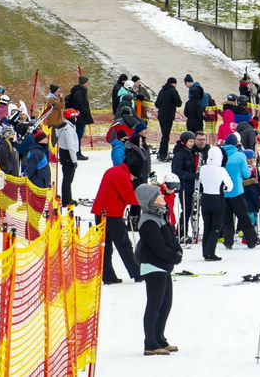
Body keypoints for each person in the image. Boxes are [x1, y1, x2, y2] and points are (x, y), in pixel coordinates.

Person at [133, 183, 181, 356]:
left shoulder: (159, 216)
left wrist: (177, 251)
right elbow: (158, 247)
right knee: (155, 305)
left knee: (165, 304)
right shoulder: (148, 222)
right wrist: (173, 255)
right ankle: (150, 343)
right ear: (150, 201)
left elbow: (170, 239)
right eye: (158, 195)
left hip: (163, 267)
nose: (162, 197)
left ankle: (159, 338)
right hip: (154, 267)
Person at [92, 148, 143, 283]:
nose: (133, 180)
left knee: (106, 246)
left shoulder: (113, 171)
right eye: (134, 177)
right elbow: (129, 196)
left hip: (101, 213)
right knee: (124, 245)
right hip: (112, 215)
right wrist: (146, 199)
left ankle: (108, 276)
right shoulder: (121, 175)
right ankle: (136, 273)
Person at [221, 134, 260, 249]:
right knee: (243, 216)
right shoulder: (240, 156)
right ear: (236, 143)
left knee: (227, 218)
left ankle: (228, 241)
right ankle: (251, 241)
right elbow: (246, 174)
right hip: (237, 190)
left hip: (223, 191)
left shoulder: (220, 155)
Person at [197, 146, 232, 261]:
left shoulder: (203, 168)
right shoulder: (221, 170)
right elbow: (230, 186)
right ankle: (210, 252)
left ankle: (205, 251)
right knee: (216, 227)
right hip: (217, 198)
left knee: (207, 225)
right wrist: (224, 189)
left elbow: (201, 181)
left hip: (205, 198)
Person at [171, 131, 199, 240]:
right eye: (190, 141)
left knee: (190, 210)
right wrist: (193, 176)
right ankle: (181, 233)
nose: (192, 144)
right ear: (184, 141)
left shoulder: (189, 152)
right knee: (186, 210)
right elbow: (177, 171)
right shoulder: (180, 154)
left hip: (190, 186)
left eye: (193, 141)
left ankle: (183, 232)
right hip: (184, 186)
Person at [154, 77, 182, 162]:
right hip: (168, 116)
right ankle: (163, 154)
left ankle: (161, 152)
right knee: (166, 136)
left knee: (164, 134)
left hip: (161, 115)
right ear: (173, 83)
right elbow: (179, 103)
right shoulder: (173, 91)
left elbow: (157, 104)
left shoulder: (162, 91)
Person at [57, 108, 81, 206]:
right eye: (75, 117)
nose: (76, 119)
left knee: (67, 179)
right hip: (68, 156)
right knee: (68, 179)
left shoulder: (64, 127)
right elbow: (71, 146)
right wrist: (74, 160)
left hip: (64, 155)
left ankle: (67, 198)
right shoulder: (69, 130)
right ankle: (66, 201)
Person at [66, 76, 93, 159]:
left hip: (81, 116)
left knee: (79, 135)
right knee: (78, 135)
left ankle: (77, 152)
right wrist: (85, 111)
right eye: (87, 82)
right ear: (83, 83)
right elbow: (79, 105)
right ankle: (77, 153)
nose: (88, 84)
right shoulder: (78, 92)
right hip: (80, 117)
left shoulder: (81, 91)